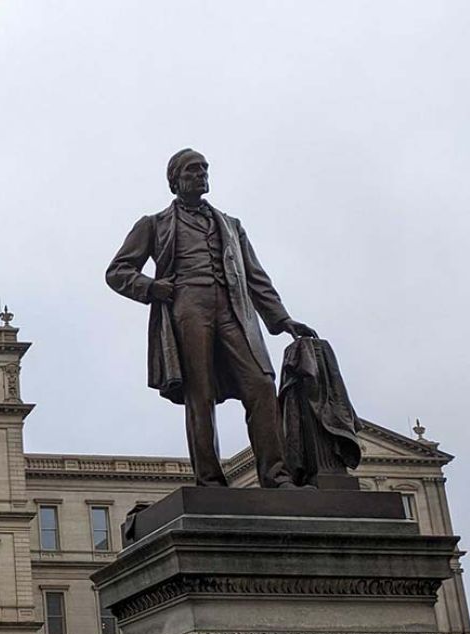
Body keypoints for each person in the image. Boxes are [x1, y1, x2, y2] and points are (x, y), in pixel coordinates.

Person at [105, 149, 317, 488]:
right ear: (175, 180)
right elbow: (117, 271)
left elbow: (256, 278)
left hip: (234, 309)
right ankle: (210, 480)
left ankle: (275, 475)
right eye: (193, 170)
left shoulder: (231, 226)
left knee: (261, 384)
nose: (201, 174)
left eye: (204, 169)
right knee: (199, 394)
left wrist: (282, 319)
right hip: (187, 308)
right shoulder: (154, 224)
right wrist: (151, 287)